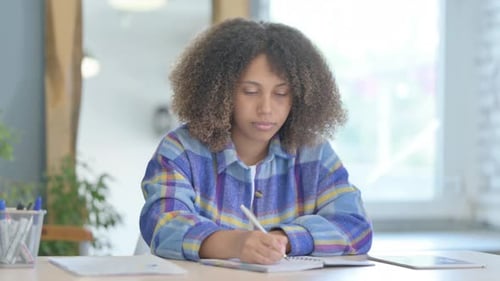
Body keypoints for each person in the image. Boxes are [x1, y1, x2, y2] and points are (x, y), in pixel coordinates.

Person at [139, 18, 372, 265]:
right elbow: (162, 223)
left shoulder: (314, 152)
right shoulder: (181, 150)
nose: (266, 108)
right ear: (220, 92)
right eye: (250, 91)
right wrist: (236, 243)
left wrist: (285, 239)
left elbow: (356, 226)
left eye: (282, 93)